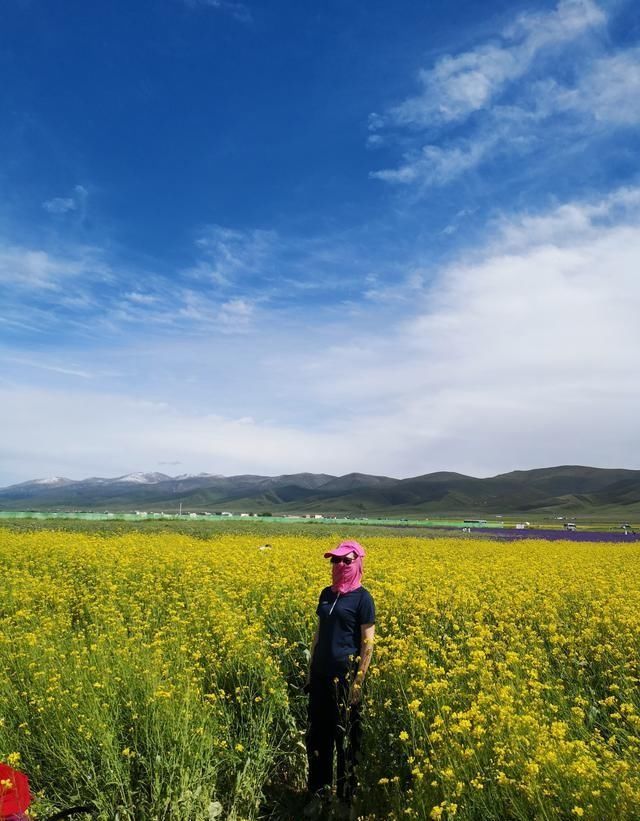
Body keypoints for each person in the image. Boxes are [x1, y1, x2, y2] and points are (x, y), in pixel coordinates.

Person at [303, 540, 375, 819]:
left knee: (346, 740)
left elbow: (368, 643)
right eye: (335, 560)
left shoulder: (363, 598)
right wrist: (310, 668)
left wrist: (358, 682)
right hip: (320, 677)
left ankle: (346, 801)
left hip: (345, 680)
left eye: (346, 561)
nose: (339, 566)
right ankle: (318, 794)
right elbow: (318, 633)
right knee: (318, 738)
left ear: (357, 563)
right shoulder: (326, 594)